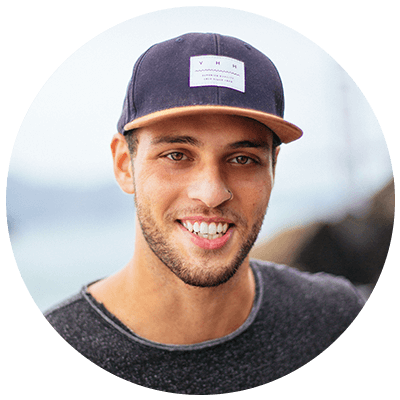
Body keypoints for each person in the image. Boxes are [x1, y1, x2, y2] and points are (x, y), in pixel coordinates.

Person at [44, 33, 365, 394]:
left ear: (273, 168)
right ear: (124, 164)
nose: (212, 193)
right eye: (177, 155)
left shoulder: (333, 317)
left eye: (243, 159)